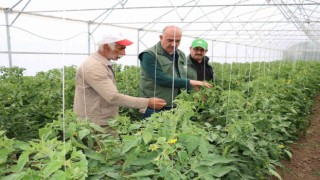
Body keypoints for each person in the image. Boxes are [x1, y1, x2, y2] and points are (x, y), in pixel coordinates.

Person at [73, 32, 167, 131]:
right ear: (106, 47)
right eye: (121, 48)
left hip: (101, 120)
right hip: (95, 124)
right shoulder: (93, 67)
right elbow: (113, 97)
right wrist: (147, 102)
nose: (124, 53)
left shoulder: (101, 63)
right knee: (104, 146)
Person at [139, 25, 213, 119]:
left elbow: (182, 76)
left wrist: (194, 92)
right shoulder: (149, 55)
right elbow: (160, 78)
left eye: (177, 41)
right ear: (161, 38)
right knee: (153, 131)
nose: (174, 44)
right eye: (170, 40)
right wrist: (190, 82)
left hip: (176, 104)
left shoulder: (180, 54)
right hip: (155, 104)